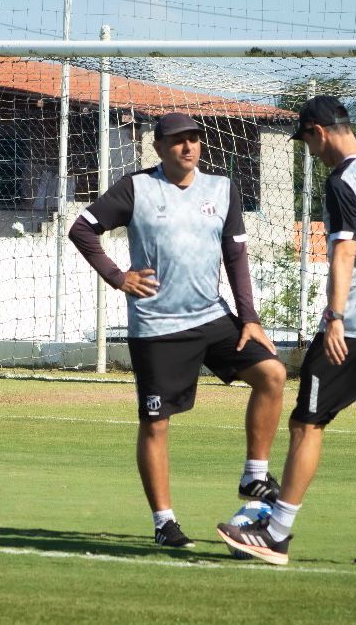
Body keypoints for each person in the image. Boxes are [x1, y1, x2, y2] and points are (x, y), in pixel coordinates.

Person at [69, 112, 287, 548]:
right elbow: (83, 229)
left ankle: (254, 476)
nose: (187, 147)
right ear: (158, 148)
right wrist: (118, 276)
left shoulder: (222, 189)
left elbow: (236, 256)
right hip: (157, 327)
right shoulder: (137, 189)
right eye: (176, 141)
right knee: (156, 423)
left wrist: (249, 317)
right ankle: (164, 523)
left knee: (273, 375)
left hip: (211, 317)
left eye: (193, 139)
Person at [217, 96, 356, 567]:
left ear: (319, 131)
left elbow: (344, 253)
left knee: (307, 423)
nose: (310, 150)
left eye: (306, 140)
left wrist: (336, 317)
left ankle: (277, 533)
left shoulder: (342, 179)